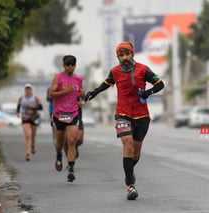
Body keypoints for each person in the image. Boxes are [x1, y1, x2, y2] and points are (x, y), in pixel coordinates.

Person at [85, 41, 164, 200]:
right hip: (123, 113)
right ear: (118, 57)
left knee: (135, 154)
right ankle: (130, 185)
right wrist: (94, 92)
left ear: (132, 54)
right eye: (121, 55)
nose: (124, 58)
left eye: (127, 54)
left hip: (142, 116)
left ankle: (129, 171)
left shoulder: (143, 69)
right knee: (127, 145)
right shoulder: (115, 72)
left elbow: (160, 84)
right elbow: (106, 84)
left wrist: (147, 93)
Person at [49, 55, 85, 182]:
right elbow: (51, 94)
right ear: (64, 66)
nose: (70, 67)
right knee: (60, 143)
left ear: (75, 65)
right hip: (59, 114)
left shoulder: (79, 79)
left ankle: (71, 169)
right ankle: (59, 155)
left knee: (71, 141)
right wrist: (66, 91)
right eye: (68, 65)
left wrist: (82, 96)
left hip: (73, 113)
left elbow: (80, 96)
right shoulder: (58, 77)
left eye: (73, 65)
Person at [17, 83, 43, 161]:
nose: (28, 90)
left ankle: (33, 145)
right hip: (25, 117)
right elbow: (18, 106)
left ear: (31, 90)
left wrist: (34, 107)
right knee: (27, 135)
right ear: (25, 90)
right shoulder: (21, 98)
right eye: (26, 89)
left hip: (34, 117)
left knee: (33, 135)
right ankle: (27, 153)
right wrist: (18, 113)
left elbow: (41, 108)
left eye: (29, 89)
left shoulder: (36, 98)